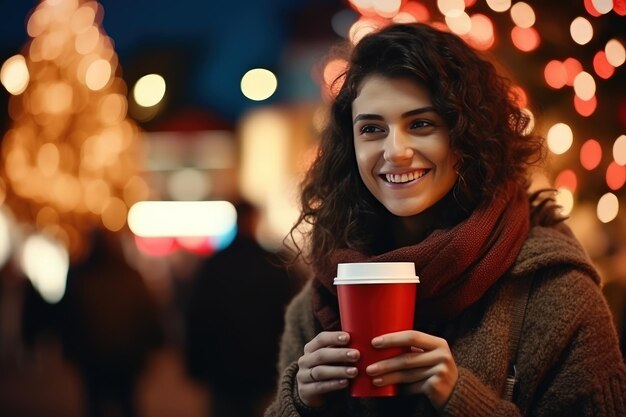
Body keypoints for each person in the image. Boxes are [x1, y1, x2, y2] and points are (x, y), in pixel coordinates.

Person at [264, 23, 626, 416]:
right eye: (371, 129)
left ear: (467, 135)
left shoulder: (554, 292)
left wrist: (462, 400)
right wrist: (298, 403)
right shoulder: (322, 295)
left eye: (421, 124)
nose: (395, 151)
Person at [183, 200, 304, 417]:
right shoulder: (273, 264)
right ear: (253, 220)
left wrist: (195, 365)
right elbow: (289, 312)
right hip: (265, 365)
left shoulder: (215, 265)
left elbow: (198, 316)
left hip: (223, 369)